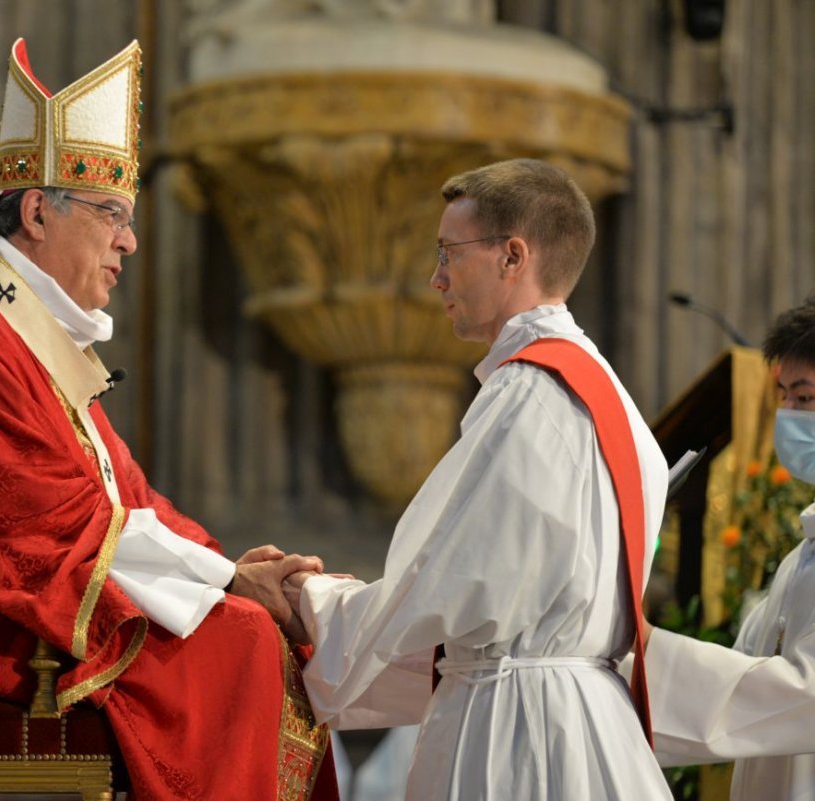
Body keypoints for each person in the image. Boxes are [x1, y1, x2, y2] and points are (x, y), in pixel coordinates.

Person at [0, 38, 337, 801]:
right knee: (240, 639)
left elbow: (122, 498)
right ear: (36, 210)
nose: (128, 240)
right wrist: (226, 583)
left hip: (6, 599)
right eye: (110, 214)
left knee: (256, 631)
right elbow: (36, 522)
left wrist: (232, 570)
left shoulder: (17, 323)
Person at [282, 158, 673, 799]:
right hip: (588, 719)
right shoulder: (607, 394)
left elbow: (441, 581)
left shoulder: (531, 393)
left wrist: (309, 604)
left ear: (512, 256)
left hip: (518, 729)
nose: (436, 278)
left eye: (448, 253)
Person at [639, 297, 815, 799]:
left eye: (804, 399)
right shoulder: (798, 558)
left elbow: (801, 698)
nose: (787, 415)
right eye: (782, 396)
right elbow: (736, 673)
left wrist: (649, 651)